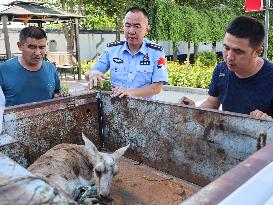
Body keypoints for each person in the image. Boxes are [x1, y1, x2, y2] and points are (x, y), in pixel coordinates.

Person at [179, 16, 273, 120]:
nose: (229, 57)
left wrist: (268, 123)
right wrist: (194, 110)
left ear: (257, 52)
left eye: (238, 51)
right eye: (226, 48)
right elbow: (212, 103)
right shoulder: (221, 69)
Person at [85, 7, 168, 99]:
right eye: (128, 25)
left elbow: (156, 88)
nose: (131, 31)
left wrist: (129, 92)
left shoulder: (156, 52)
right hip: (116, 107)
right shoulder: (113, 50)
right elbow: (90, 73)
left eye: (137, 26)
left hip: (145, 110)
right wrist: (92, 73)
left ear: (146, 30)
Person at [0, 26, 63, 106]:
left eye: (42, 47)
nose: (37, 52)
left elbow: (55, 94)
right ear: (20, 46)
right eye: (32, 47)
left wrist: (59, 96)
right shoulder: (3, 69)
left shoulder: (51, 68)